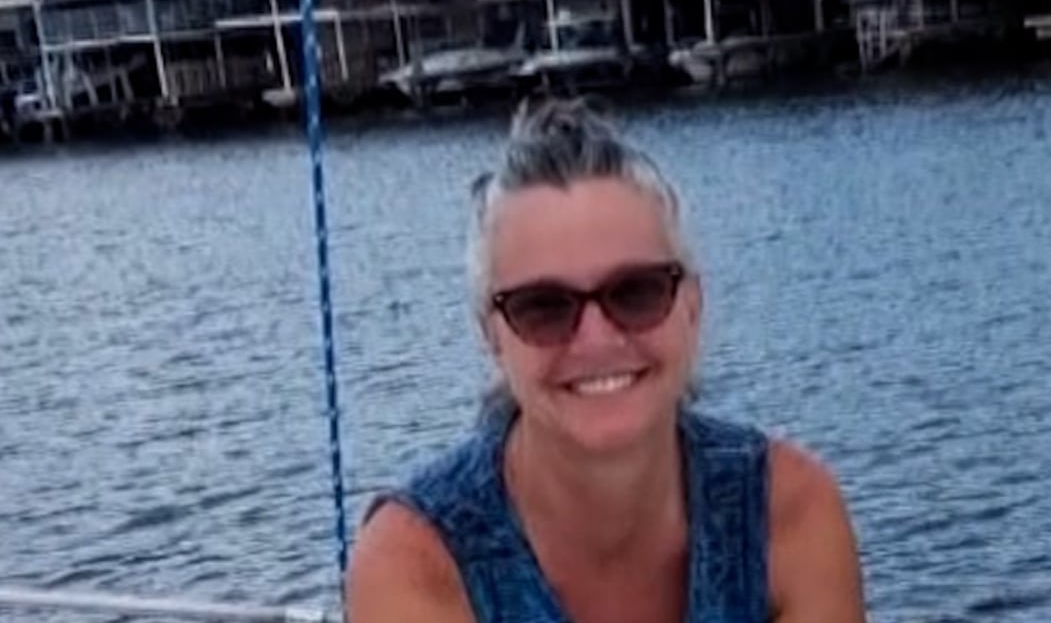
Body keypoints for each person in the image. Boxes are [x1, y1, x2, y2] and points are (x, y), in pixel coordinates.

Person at [347, 98, 866, 623]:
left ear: (692, 307)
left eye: (636, 292)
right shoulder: (415, 562)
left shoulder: (788, 512)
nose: (595, 339)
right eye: (544, 307)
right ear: (493, 336)